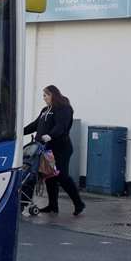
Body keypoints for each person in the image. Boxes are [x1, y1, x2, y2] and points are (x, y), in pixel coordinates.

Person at [23, 84, 85, 216]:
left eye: (45, 95)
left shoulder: (63, 108)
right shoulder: (45, 110)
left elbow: (61, 126)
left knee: (62, 176)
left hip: (61, 148)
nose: (44, 98)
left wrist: (50, 135)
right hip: (46, 149)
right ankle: (52, 206)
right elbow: (36, 125)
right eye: (43, 95)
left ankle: (79, 203)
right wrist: (19, 132)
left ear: (53, 95)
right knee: (49, 177)